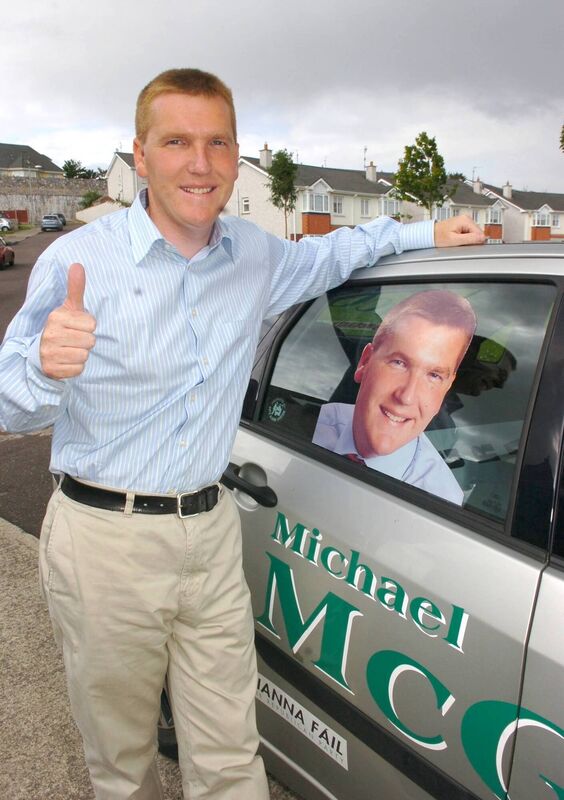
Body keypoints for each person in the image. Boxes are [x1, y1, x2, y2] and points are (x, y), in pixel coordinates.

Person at [0, 68, 485, 800]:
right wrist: (42, 368)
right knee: (123, 766)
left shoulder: (253, 255)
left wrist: (422, 230)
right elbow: (9, 410)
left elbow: (333, 256)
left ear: (235, 154)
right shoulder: (78, 263)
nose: (200, 163)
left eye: (217, 143)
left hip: (211, 529)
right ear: (140, 154)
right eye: (177, 142)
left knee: (230, 755)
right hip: (106, 539)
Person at [313, 290, 477, 504]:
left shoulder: (441, 502)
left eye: (434, 375)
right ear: (365, 362)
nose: (406, 397)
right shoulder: (307, 423)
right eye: (399, 363)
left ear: (447, 387)